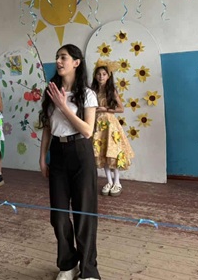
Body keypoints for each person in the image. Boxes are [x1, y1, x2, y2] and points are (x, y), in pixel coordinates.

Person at [38, 44, 101, 280]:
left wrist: (64, 106)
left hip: (80, 152)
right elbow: (47, 127)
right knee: (59, 215)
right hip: (58, 152)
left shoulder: (87, 94)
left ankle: (89, 270)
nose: (58, 61)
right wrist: (42, 158)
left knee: (84, 215)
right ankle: (68, 265)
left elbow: (87, 130)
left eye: (63, 57)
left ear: (76, 62)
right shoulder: (51, 92)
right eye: (57, 57)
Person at [91, 61, 134, 197]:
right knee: (103, 152)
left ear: (108, 76)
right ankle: (109, 181)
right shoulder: (93, 91)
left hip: (110, 125)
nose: (101, 76)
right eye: (98, 74)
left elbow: (121, 109)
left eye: (104, 74)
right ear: (95, 76)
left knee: (113, 153)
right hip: (98, 125)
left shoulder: (111, 91)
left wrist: (105, 109)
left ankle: (117, 182)